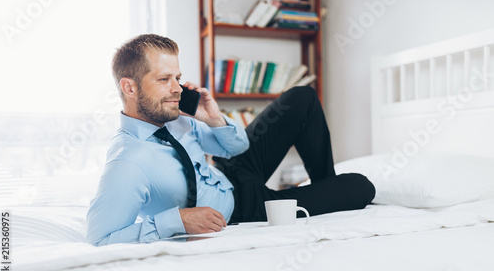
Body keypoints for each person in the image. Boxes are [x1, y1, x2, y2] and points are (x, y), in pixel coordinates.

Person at [86, 34, 375, 246]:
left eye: (178, 77)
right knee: (361, 187)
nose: (176, 89)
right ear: (130, 87)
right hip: (244, 207)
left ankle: (324, 187)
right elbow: (100, 237)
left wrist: (214, 119)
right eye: (164, 80)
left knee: (302, 97)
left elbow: (237, 147)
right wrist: (177, 221)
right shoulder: (128, 161)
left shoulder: (176, 119)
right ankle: (330, 193)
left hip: (232, 170)